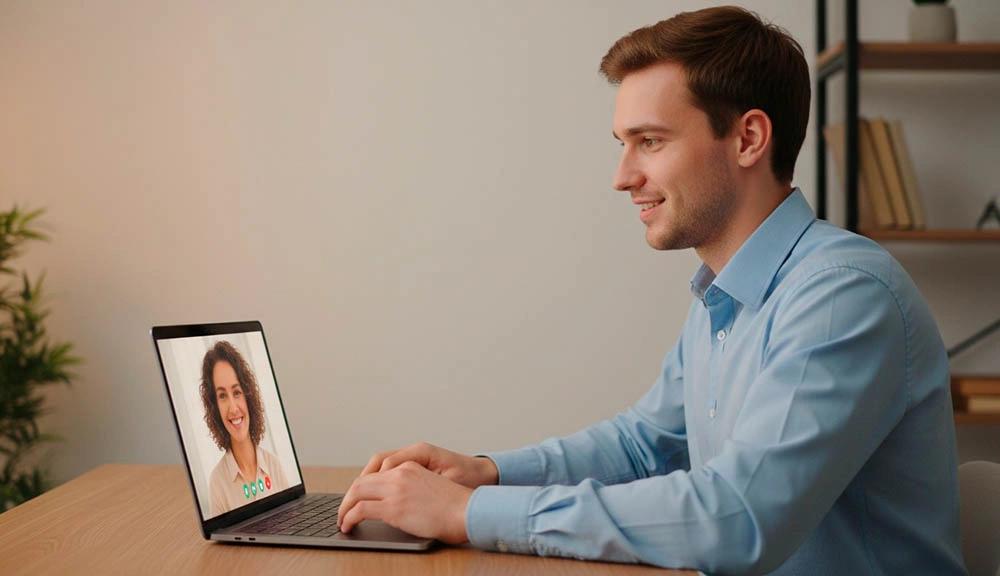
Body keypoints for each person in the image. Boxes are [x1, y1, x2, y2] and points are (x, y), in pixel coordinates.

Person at [336, 6, 967, 574]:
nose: (622, 176)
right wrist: (485, 474)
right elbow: (642, 448)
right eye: (624, 144)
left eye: (650, 141)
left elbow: (738, 518)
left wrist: (466, 514)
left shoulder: (840, 297)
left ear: (748, 138)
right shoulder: (724, 296)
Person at [200, 340, 289, 517]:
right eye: (222, 396)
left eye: (237, 392)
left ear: (248, 397)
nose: (233, 408)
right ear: (215, 407)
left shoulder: (274, 465)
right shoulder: (217, 482)